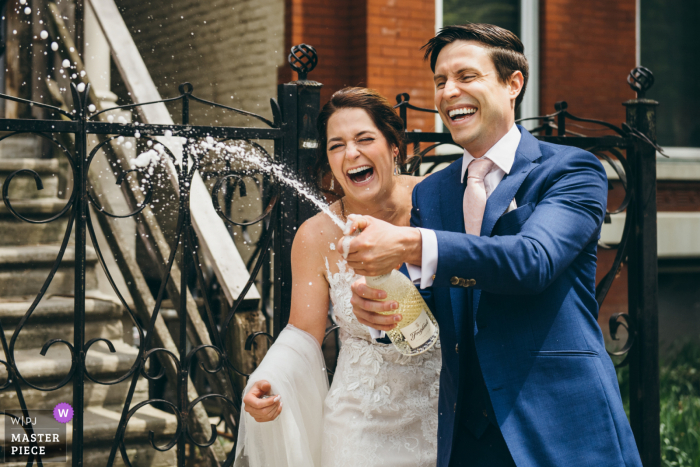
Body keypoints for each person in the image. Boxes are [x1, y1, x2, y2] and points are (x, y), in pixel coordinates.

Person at [343, 24, 643, 467]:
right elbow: (431, 310)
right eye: (440, 81)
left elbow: (532, 261)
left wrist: (409, 243)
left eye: (466, 76)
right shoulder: (433, 192)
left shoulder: (571, 170)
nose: (449, 92)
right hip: (466, 439)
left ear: (513, 83)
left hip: (561, 430)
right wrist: (382, 307)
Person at [234, 87, 441, 467]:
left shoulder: (439, 203)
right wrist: (269, 378)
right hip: (360, 424)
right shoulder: (316, 235)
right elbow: (302, 332)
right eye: (336, 145)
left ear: (394, 146)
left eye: (365, 139)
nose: (352, 154)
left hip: (446, 413)